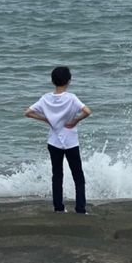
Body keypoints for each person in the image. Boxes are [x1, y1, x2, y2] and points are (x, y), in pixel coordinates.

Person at [25, 66, 91, 214]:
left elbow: (28, 112)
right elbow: (87, 111)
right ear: (69, 81)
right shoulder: (71, 98)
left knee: (57, 175)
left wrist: (47, 119)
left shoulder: (45, 98)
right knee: (78, 176)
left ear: (52, 81)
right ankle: (80, 209)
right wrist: (75, 121)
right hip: (71, 142)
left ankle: (58, 208)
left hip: (54, 142)